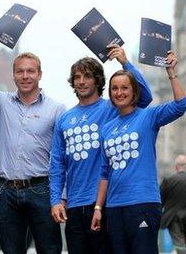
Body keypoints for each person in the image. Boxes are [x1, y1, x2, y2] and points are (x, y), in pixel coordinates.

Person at [0, 25, 65, 254]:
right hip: (5, 192)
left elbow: (62, 157)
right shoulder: (2, 102)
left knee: (50, 250)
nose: (25, 76)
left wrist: (62, 196)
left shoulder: (57, 110)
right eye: (20, 71)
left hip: (42, 189)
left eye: (30, 71)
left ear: (40, 74)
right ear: (13, 75)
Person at [49, 45, 153, 253]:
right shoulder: (64, 119)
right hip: (74, 205)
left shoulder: (112, 108)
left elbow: (144, 97)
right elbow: (57, 164)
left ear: (97, 80)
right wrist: (55, 200)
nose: (81, 81)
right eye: (77, 77)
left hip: (104, 203)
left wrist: (125, 62)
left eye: (87, 76)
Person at [91, 51, 186, 254]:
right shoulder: (107, 129)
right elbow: (104, 172)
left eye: (125, 88)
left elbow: (180, 105)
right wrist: (98, 208)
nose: (119, 92)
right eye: (114, 89)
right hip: (115, 207)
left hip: (143, 203)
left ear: (135, 92)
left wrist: (171, 74)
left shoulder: (148, 117)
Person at [160, 154, 186, 254]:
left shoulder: (169, 181)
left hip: (173, 218)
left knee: (179, 245)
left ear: (176, 167)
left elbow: (160, 201)